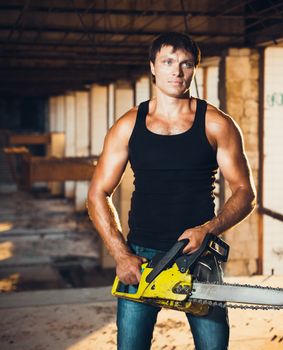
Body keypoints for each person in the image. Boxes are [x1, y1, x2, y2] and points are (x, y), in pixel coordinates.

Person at [87, 32, 256, 350]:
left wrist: (208, 229)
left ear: (194, 69)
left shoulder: (216, 124)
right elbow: (97, 193)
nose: (177, 72)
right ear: (152, 67)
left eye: (185, 64)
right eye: (167, 62)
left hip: (198, 257)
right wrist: (121, 254)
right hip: (140, 258)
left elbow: (246, 192)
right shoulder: (127, 125)